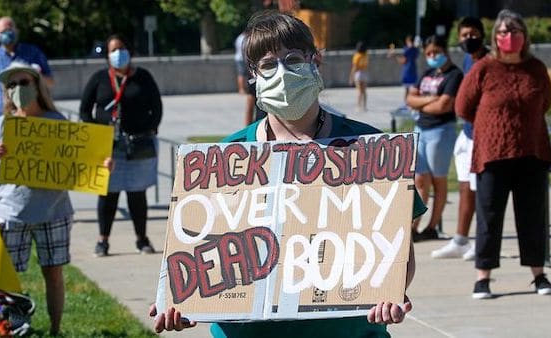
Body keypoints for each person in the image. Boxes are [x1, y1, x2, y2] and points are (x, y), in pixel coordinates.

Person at [150, 11, 428, 337]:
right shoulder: (221, 162)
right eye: (268, 64)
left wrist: (390, 291)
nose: (282, 72)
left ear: (316, 61)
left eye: (293, 59)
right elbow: (196, 247)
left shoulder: (373, 153)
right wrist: (181, 302)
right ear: (253, 75)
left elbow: (398, 251)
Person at [455, 9, 551, 299]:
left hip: (531, 153)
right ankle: (483, 277)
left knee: (532, 217)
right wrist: (493, 125)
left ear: (524, 37)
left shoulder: (535, 68)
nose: (508, 37)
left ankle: (539, 275)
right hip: (493, 154)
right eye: (502, 32)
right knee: (489, 216)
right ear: (495, 38)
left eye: (514, 32)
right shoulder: (484, 68)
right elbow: (463, 107)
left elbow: (545, 101)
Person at [0, 62, 72, 335]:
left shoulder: (57, 123)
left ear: (37, 86)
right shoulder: (0, 125)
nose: (17, 89)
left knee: (53, 275)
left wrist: (103, 165)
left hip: (53, 212)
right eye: (11, 85)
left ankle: (55, 330)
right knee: (4, 279)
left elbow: (78, 164)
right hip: (12, 212)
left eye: (23, 83)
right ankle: (3, 328)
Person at [80, 34, 163, 257]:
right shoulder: (99, 78)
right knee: (108, 194)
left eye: (122, 48)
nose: (118, 53)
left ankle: (142, 239)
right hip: (108, 147)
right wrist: (93, 132)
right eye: (113, 50)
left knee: (137, 194)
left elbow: (156, 105)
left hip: (138, 144)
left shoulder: (143, 77)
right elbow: (85, 109)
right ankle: (103, 240)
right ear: (107, 55)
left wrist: (151, 127)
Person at [431, 17, 488, 260]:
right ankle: (460, 240)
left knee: (482, 191)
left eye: (473, 34)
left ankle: (481, 242)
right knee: (465, 187)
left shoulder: (488, 61)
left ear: (482, 35)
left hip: (482, 135)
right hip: (466, 132)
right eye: (464, 35)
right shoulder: (467, 59)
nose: (468, 39)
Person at [406, 35, 463, 242]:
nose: (432, 56)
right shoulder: (427, 73)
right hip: (421, 128)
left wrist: (421, 103)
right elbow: (410, 99)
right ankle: (413, 226)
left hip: (441, 131)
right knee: (420, 178)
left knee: (438, 180)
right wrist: (430, 100)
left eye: (436, 52)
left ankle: (432, 226)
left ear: (444, 51)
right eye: (428, 53)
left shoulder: (454, 75)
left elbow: (444, 106)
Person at [0, 16, 53, 130]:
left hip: (33, 119)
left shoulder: (33, 52)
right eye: (3, 31)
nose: (7, 34)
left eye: (10, 30)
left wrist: (35, 75)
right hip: (1, 119)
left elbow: (50, 81)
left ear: (17, 30)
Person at [234, 32, 257, 125]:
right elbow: (250, 106)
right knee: (242, 75)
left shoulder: (241, 38)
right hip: (242, 59)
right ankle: (241, 89)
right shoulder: (255, 81)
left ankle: (241, 89)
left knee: (241, 75)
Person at [388, 35, 419, 100]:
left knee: (407, 90)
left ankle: (407, 104)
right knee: (414, 89)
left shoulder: (407, 49)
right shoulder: (416, 50)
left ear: (408, 41)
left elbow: (403, 61)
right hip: (414, 70)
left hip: (407, 71)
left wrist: (394, 56)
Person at [349, 41, 369, 112]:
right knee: (364, 91)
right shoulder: (366, 55)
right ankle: (364, 106)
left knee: (359, 91)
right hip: (364, 72)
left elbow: (354, 67)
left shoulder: (357, 56)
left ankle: (358, 106)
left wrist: (351, 77)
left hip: (358, 73)